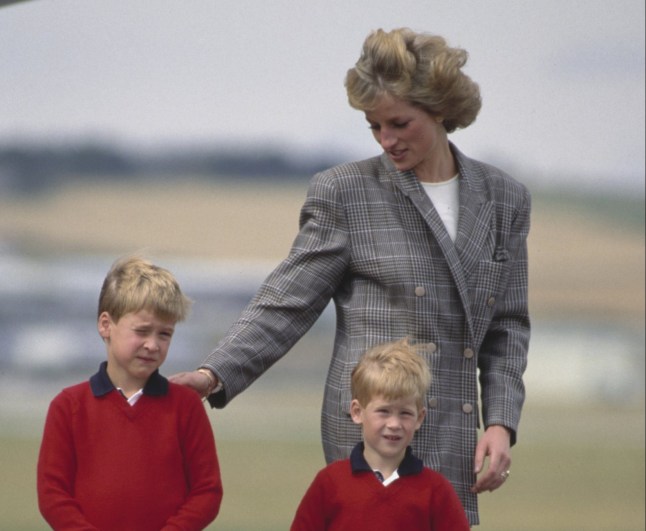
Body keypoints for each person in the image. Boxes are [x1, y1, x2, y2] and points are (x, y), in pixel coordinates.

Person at [172, 26, 530, 526]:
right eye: (374, 126)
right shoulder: (345, 193)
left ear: (441, 109)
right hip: (368, 431)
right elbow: (287, 301)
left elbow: (508, 325)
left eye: (400, 123)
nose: (387, 140)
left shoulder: (505, 198)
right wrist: (213, 374)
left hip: (452, 427)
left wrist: (501, 421)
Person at [37, 256, 223, 531]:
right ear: (105, 325)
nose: (152, 344)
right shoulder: (68, 406)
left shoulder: (186, 406)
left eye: (164, 334)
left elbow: (207, 492)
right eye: (142, 331)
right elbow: (52, 494)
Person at [290, 338, 470, 530]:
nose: (394, 424)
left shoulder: (436, 490)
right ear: (358, 412)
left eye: (405, 413)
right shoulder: (330, 483)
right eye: (384, 411)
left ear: (419, 417)